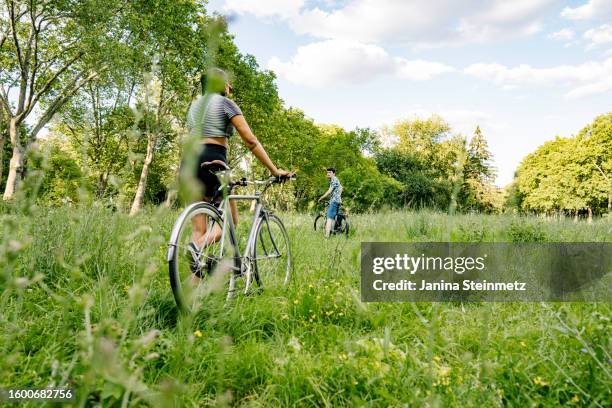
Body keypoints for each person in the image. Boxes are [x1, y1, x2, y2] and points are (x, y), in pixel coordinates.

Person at [185, 67, 292, 276]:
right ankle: (198, 249)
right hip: (212, 160)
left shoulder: (194, 106)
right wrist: (274, 169)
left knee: (199, 231)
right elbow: (251, 141)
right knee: (231, 220)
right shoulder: (225, 103)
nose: (229, 88)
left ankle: (191, 297)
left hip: (189, 163)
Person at [318, 167, 343, 238]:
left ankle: (326, 237)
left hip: (334, 201)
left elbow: (329, 191)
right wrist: (338, 196)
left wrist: (321, 198)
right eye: (327, 172)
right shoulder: (336, 180)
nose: (328, 174)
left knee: (329, 218)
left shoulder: (334, 179)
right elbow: (341, 188)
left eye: (330, 172)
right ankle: (337, 232)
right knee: (335, 216)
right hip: (337, 201)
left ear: (334, 173)